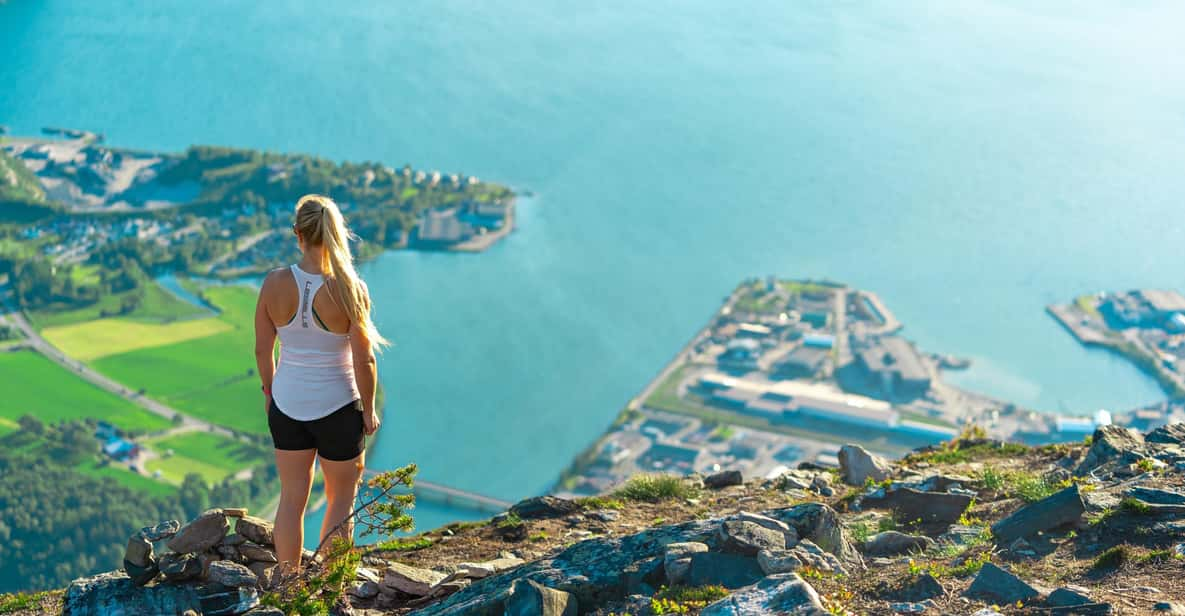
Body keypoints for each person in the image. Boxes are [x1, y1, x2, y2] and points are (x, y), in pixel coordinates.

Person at [254, 194, 388, 575]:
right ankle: (331, 589)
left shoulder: (274, 283)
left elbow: (263, 351)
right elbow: (365, 360)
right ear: (336, 233)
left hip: (287, 406)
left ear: (297, 233)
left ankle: (287, 584)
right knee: (341, 500)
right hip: (339, 409)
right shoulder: (350, 288)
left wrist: (270, 395)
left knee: (291, 500)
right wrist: (370, 409)